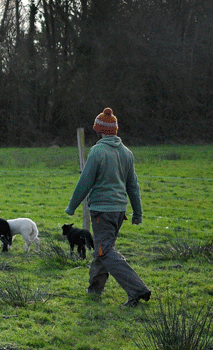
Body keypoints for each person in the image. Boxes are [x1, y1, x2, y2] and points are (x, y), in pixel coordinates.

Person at [65, 108, 151, 307]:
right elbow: (133, 186)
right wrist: (137, 212)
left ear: (98, 131)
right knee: (102, 248)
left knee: (105, 250)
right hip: (119, 211)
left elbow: (85, 181)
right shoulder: (127, 153)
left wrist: (72, 206)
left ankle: (137, 290)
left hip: (102, 211)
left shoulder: (97, 151)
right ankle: (94, 290)